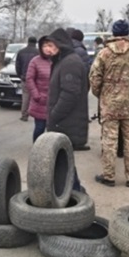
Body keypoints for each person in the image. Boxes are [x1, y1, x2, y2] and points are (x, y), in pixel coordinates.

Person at [89, 20, 129, 187]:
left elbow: (94, 77)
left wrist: (100, 93)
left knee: (109, 140)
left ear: (113, 33)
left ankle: (109, 176)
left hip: (110, 104)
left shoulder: (104, 53)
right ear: (127, 33)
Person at [46, 28, 90, 191]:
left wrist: (54, 116)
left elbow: (70, 95)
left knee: (63, 161)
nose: (48, 49)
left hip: (67, 123)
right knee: (64, 161)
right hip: (63, 123)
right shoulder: (62, 61)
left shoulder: (70, 62)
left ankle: (76, 196)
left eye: (51, 45)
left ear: (61, 45)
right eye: (47, 45)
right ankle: (75, 192)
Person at [25, 36, 52, 142]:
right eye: (44, 46)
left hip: (54, 102)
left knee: (52, 131)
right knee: (40, 128)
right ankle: (37, 148)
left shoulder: (57, 61)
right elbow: (29, 78)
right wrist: (36, 95)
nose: (47, 48)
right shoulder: (35, 61)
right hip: (40, 101)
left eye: (49, 45)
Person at [15, 37, 39, 122]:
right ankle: (37, 114)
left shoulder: (21, 52)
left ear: (28, 42)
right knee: (36, 96)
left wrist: (20, 75)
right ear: (36, 43)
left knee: (25, 96)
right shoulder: (38, 52)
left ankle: (24, 115)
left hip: (25, 78)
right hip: (36, 78)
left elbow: (17, 66)